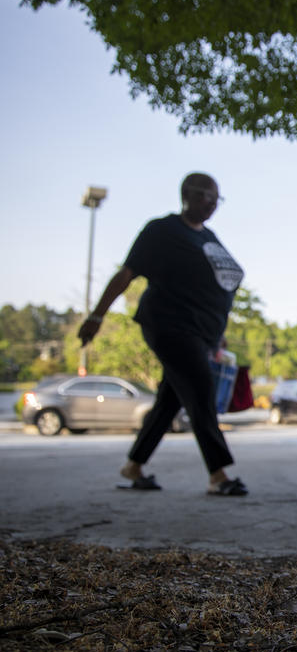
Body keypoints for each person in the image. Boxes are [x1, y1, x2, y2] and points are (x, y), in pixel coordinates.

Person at [78, 172, 248, 496]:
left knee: (169, 401)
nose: (212, 204)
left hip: (203, 333)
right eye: (206, 196)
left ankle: (134, 466)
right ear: (187, 195)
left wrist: (218, 333)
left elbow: (219, 286)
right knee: (200, 390)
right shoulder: (162, 230)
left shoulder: (209, 237)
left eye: (217, 199)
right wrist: (97, 316)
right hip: (170, 326)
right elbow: (126, 273)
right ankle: (219, 475)